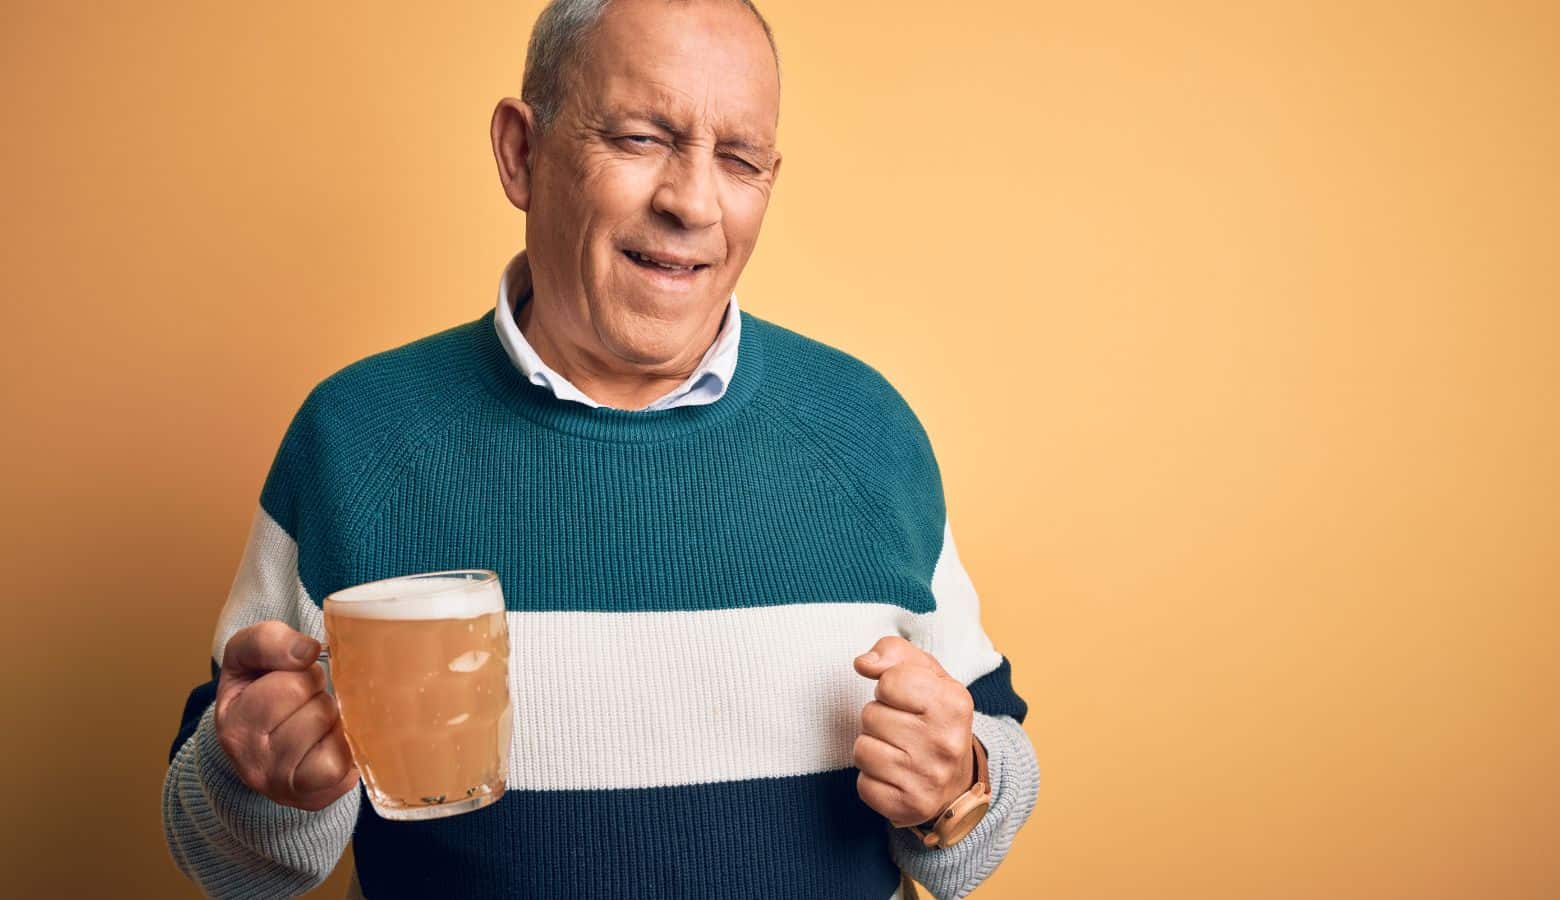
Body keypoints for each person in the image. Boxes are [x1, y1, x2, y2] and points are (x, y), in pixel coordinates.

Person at [161, 0, 1039, 897]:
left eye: (739, 159)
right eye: (639, 137)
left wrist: (958, 784)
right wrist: (260, 788)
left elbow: (983, 797)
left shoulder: (868, 429)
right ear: (521, 154)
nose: (692, 203)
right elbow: (237, 861)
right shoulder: (354, 438)